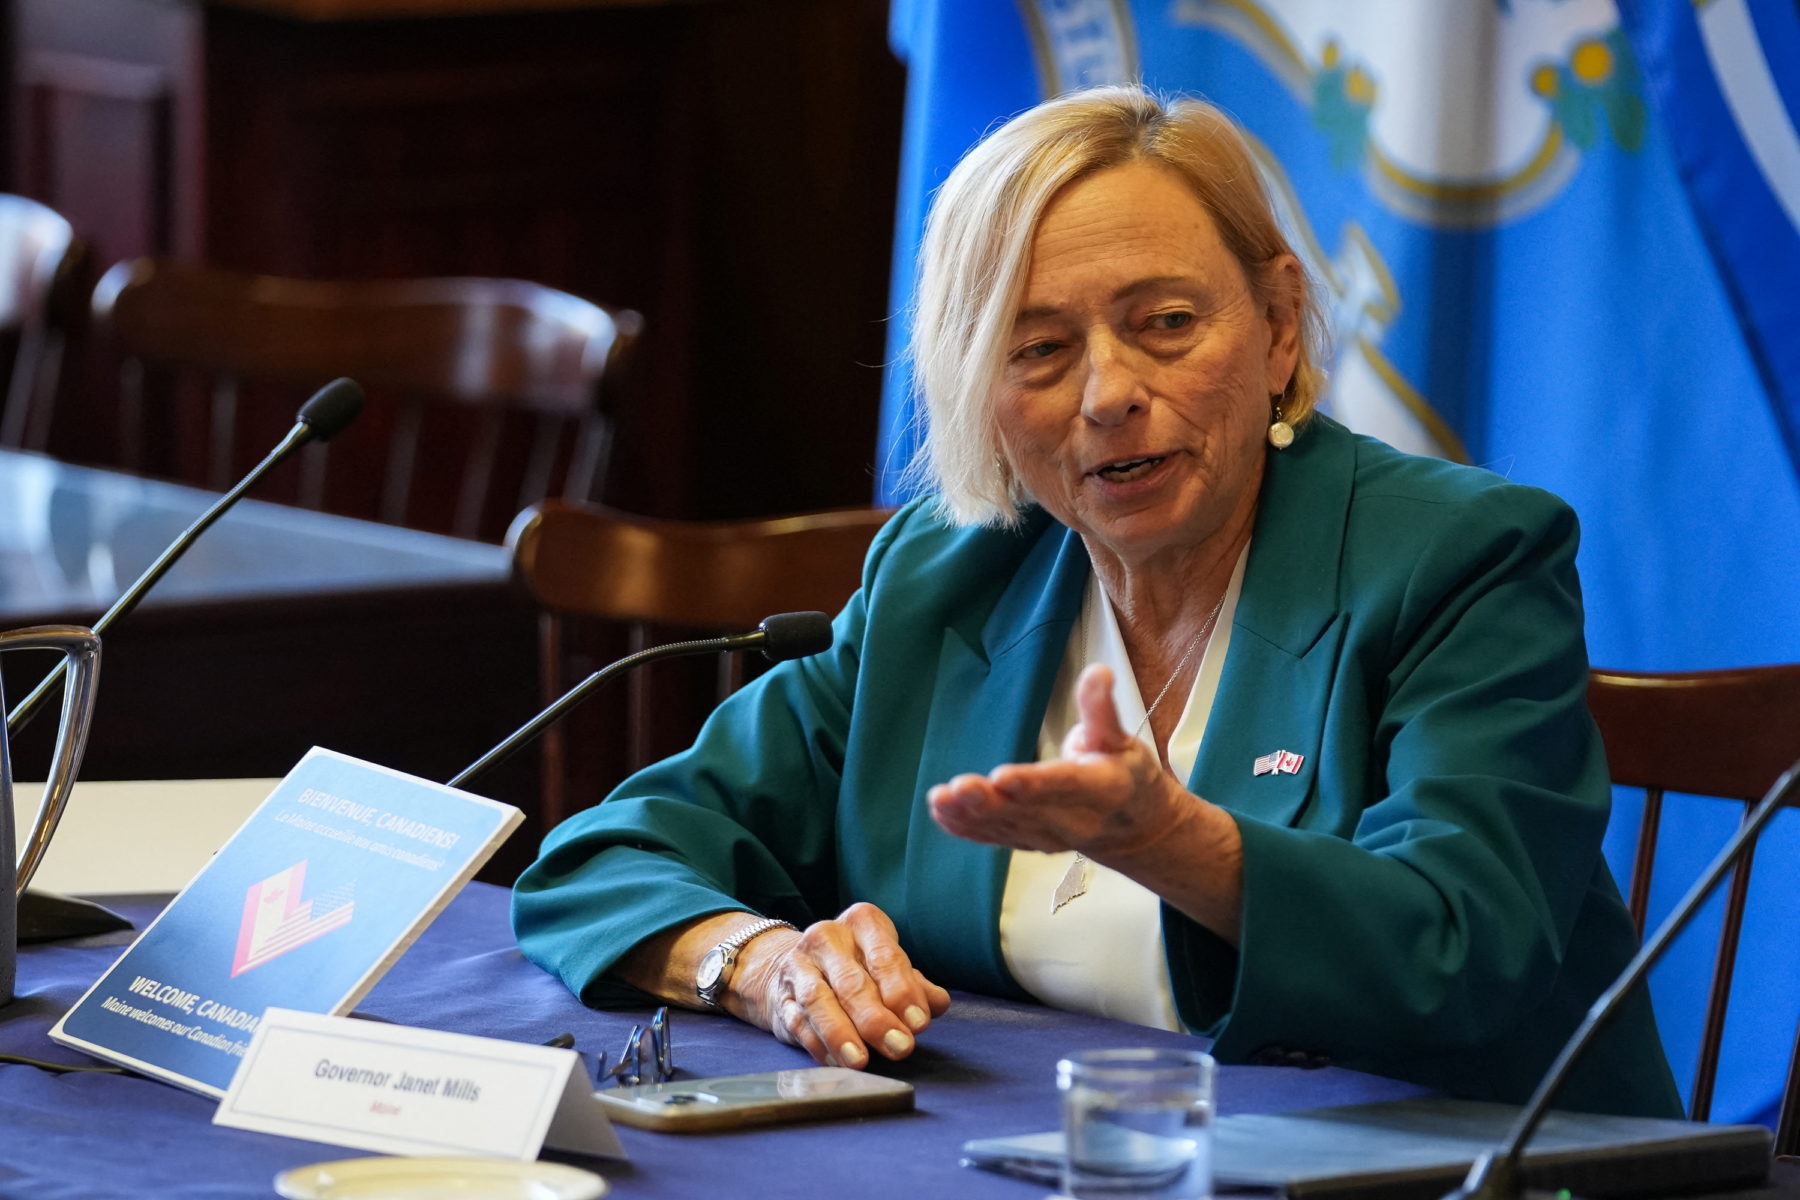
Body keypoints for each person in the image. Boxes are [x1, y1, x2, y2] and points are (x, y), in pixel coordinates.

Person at [513, 85, 1680, 1116]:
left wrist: (1176, 845)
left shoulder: (1460, 558)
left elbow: (1467, 951)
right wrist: (761, 964)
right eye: (1039, 349)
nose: (1111, 393)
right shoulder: (949, 571)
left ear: (1278, 328)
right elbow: (605, 857)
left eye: (1167, 324)